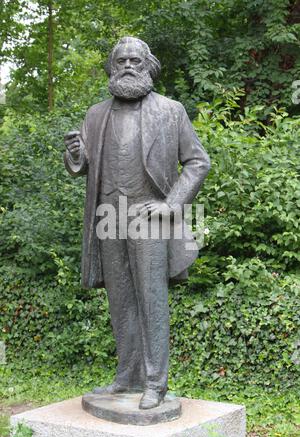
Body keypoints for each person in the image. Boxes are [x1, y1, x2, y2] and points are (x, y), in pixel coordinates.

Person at [64, 37, 210, 409]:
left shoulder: (170, 110)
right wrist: (77, 157)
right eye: (121, 60)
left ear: (148, 64)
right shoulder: (96, 114)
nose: (128, 64)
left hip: (149, 218)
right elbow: (84, 167)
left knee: (151, 299)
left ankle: (155, 383)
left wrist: (171, 204)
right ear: (113, 67)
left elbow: (198, 162)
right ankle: (127, 376)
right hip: (108, 218)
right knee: (121, 300)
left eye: (135, 59)